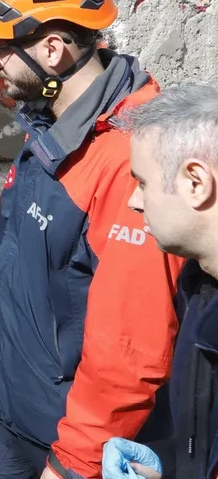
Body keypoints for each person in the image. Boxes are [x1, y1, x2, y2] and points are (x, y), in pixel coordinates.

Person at [0, 0, 186, 479]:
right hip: (5, 409)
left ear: (52, 49)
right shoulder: (52, 125)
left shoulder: (130, 158)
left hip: (67, 441)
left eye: (0, 47)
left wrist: (74, 463)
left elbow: (132, 344)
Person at [100, 83, 218, 479]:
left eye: (143, 182)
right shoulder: (200, 290)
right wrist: (165, 467)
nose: (134, 200)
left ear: (196, 183)